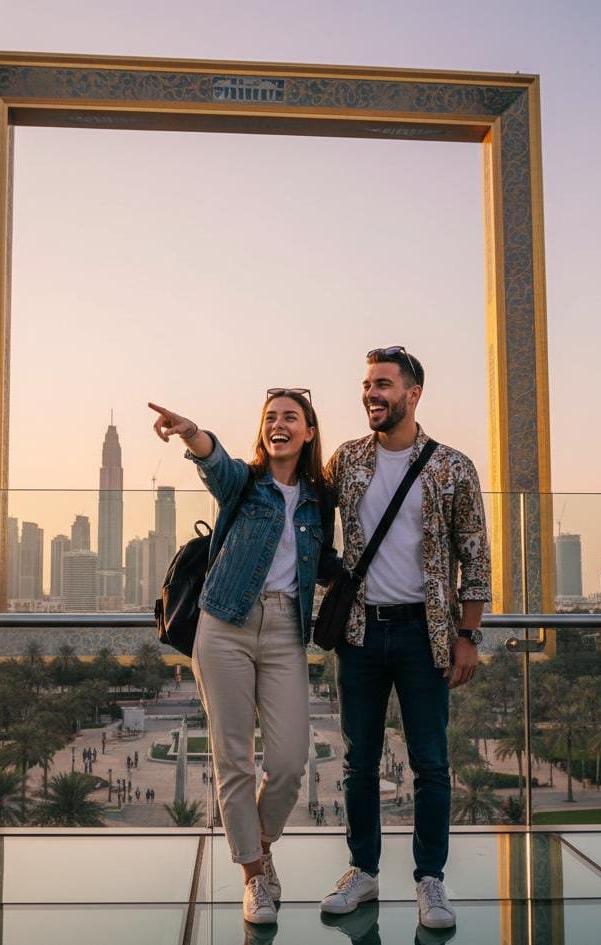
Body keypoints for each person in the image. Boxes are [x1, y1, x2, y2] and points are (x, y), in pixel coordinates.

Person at [319, 347, 490, 931]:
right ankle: (362, 871)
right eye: (367, 384)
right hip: (361, 632)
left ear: (413, 394)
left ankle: (429, 881)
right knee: (358, 763)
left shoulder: (452, 467)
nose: (371, 393)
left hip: (426, 634)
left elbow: (476, 558)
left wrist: (468, 635)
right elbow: (304, 516)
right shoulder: (346, 461)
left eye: (383, 384)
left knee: (431, 764)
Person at [149, 390, 333, 926]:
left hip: (285, 632)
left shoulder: (320, 500)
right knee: (232, 759)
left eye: (290, 418)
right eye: (271, 418)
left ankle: (260, 844)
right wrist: (189, 431)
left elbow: (323, 562)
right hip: (224, 624)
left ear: (308, 433)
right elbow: (214, 460)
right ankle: (255, 877)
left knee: (289, 762)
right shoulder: (244, 484)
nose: (279, 424)